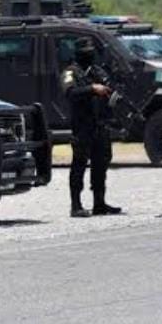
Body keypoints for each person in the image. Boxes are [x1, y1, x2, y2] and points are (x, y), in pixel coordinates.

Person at [62, 37, 123, 217]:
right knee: (79, 164)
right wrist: (92, 89)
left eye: (91, 52)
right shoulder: (71, 72)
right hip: (82, 127)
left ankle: (99, 203)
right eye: (86, 53)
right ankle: (76, 205)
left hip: (100, 125)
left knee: (101, 164)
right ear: (79, 54)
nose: (90, 56)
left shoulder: (96, 71)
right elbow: (70, 92)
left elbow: (109, 89)